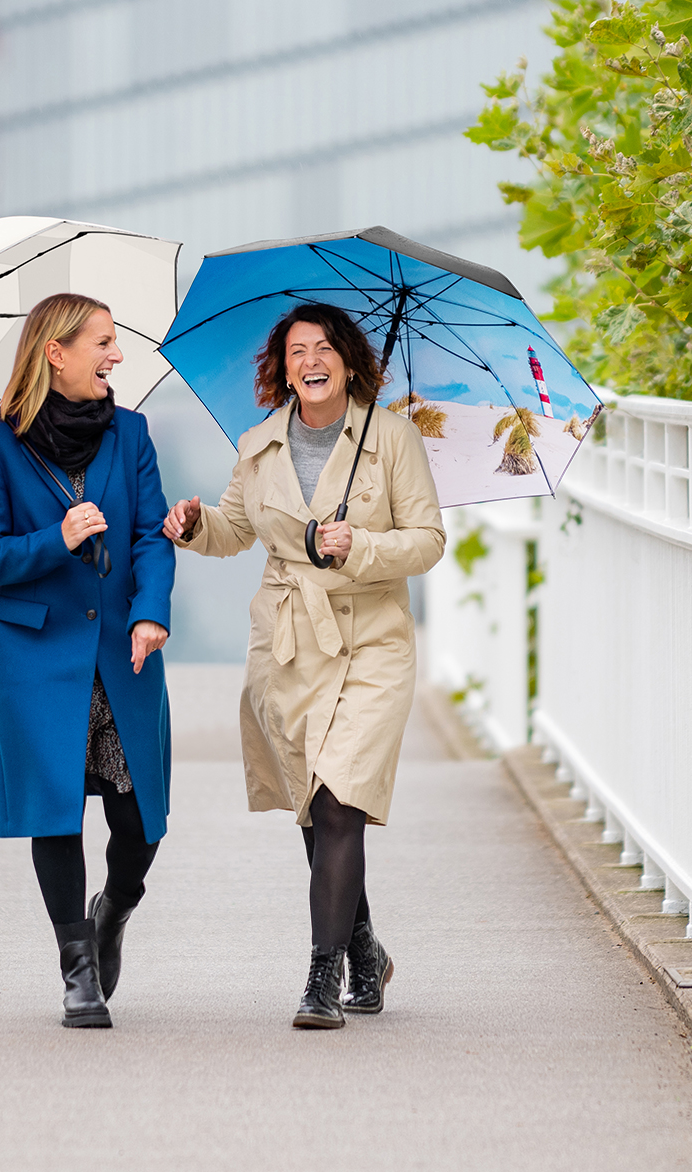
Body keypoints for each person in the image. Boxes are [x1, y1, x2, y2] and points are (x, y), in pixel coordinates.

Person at [164, 302, 445, 1029]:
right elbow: (236, 530)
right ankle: (364, 951)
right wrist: (195, 528)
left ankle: (323, 979)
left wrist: (365, 547)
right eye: (296, 351)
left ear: (350, 360)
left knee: (340, 799)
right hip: (288, 641)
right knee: (312, 807)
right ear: (280, 367)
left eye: (323, 348)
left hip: (372, 638)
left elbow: (428, 540)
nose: (310, 361)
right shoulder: (258, 445)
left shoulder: (392, 439)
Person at [0, 293, 174, 1029]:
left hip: (122, 646)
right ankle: (77, 969)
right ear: (56, 353)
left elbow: (151, 534)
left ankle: (113, 908)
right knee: (55, 810)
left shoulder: (133, 433)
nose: (116, 356)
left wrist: (153, 611)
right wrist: (56, 537)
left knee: (141, 818)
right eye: (104, 343)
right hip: (34, 653)